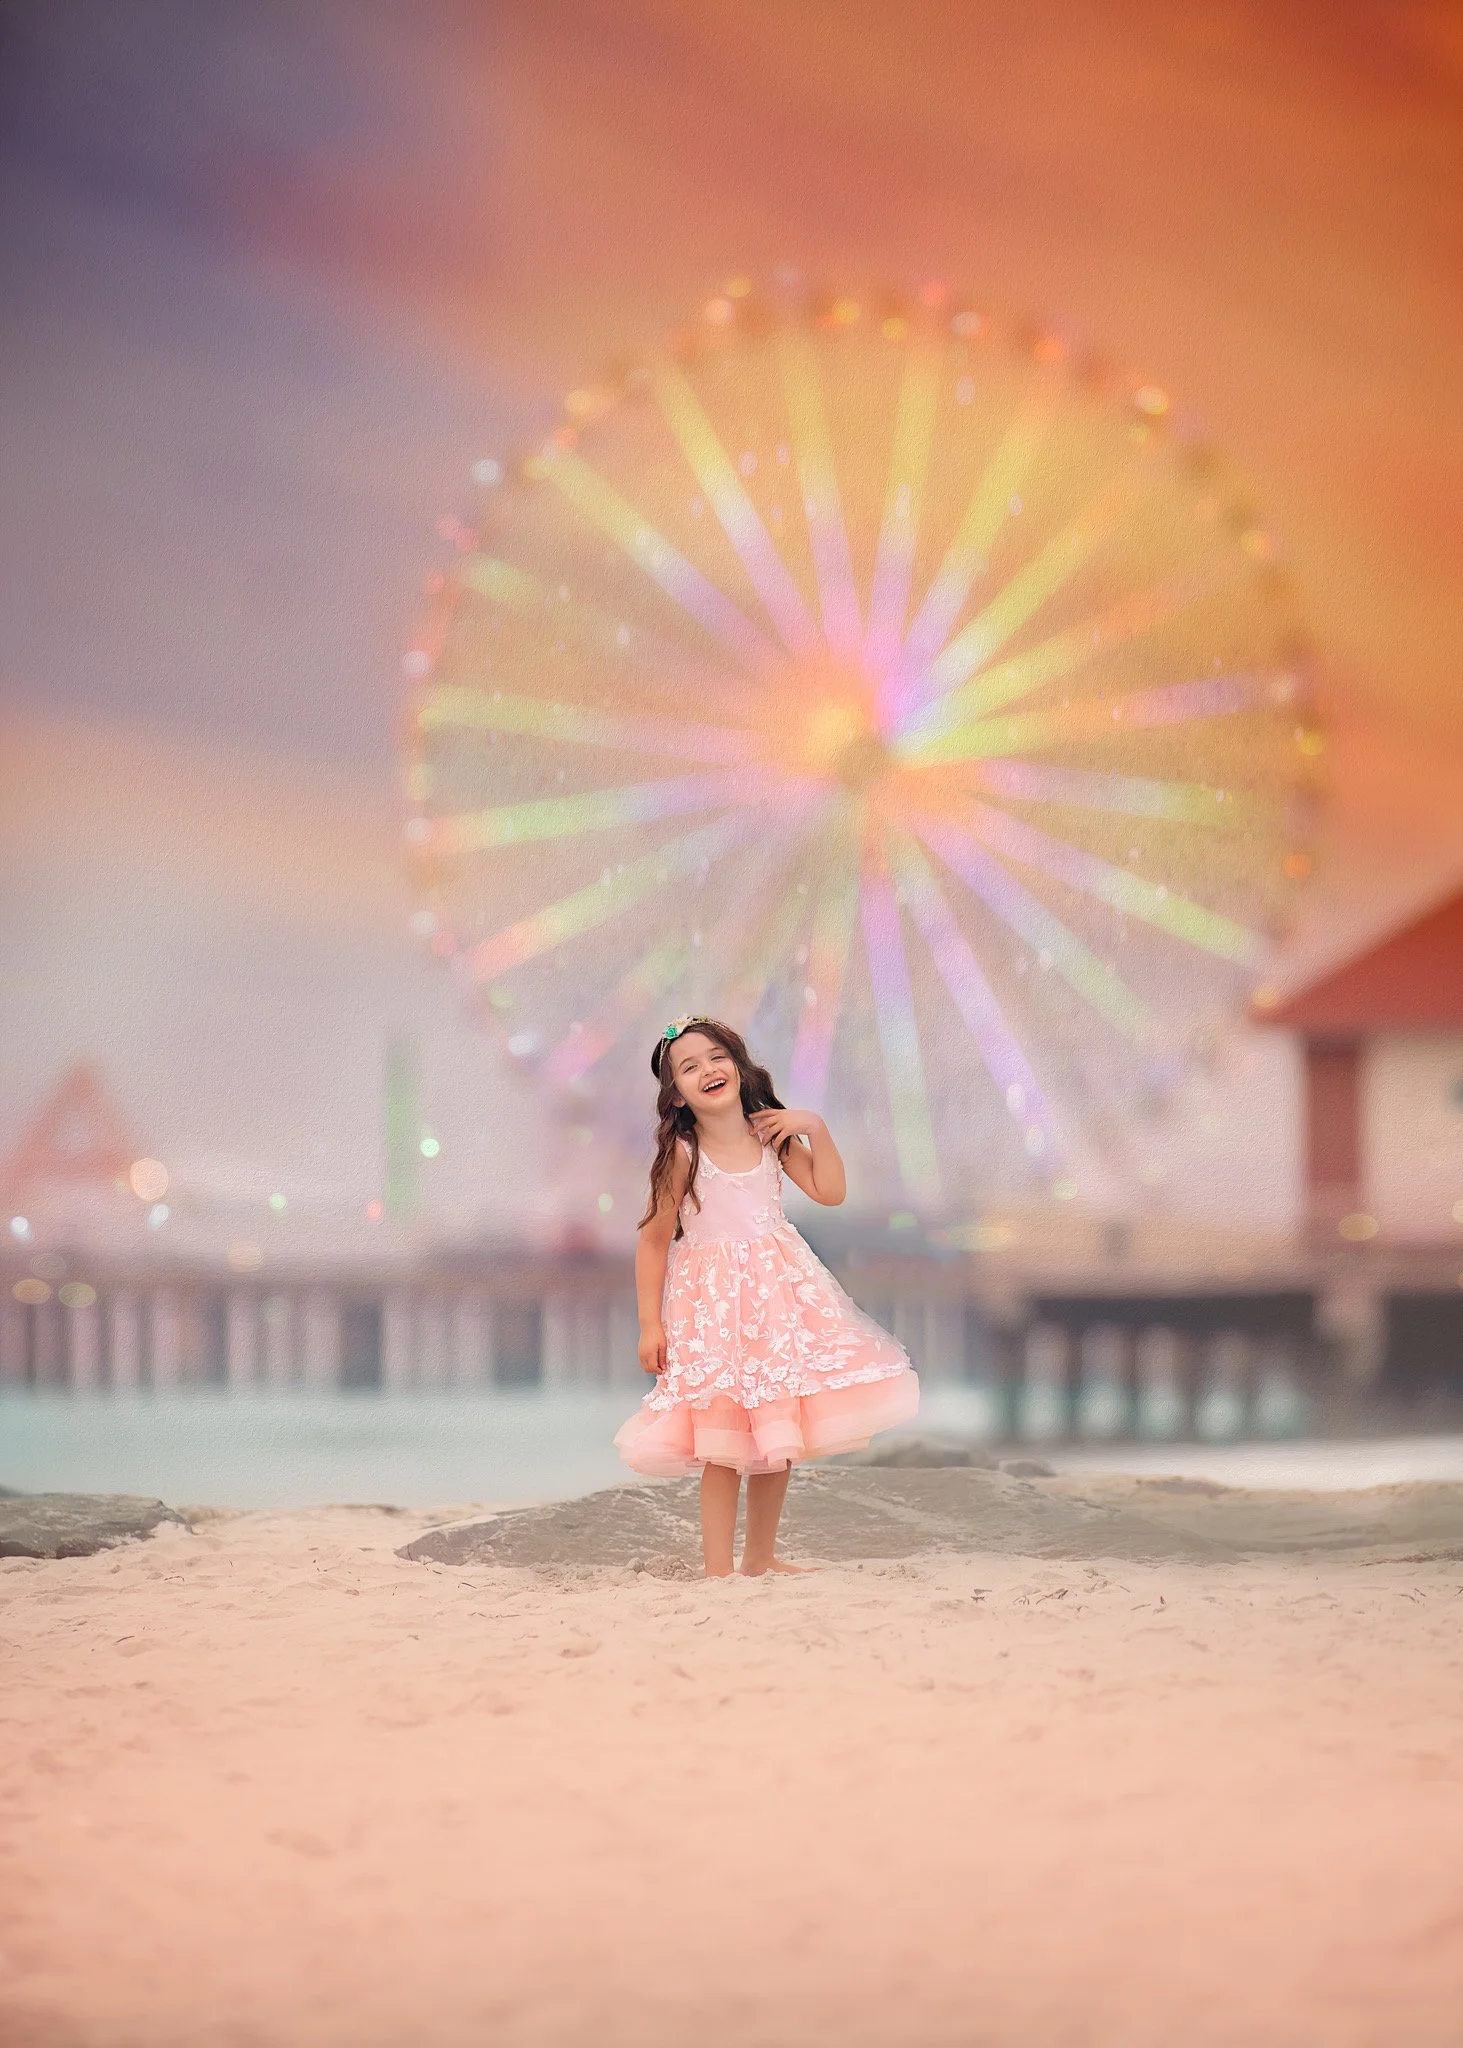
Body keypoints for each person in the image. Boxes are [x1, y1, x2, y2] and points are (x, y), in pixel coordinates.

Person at [614, 1015, 920, 1577]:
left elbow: (831, 1191)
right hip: (712, 1307)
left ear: (737, 1063)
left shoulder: (769, 1137)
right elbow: (654, 1240)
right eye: (689, 1067)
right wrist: (648, 1323)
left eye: (716, 1057)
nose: (707, 1070)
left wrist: (815, 1128)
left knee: (779, 1433)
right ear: (675, 1095)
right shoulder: (684, 1153)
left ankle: (759, 1557)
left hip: (779, 1300)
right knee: (723, 1440)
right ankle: (717, 1569)